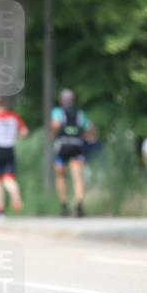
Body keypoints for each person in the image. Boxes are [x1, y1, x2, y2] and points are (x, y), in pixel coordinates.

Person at [50, 88, 96, 217]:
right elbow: (90, 128)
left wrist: (52, 135)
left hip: (62, 146)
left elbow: (55, 125)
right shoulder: (80, 114)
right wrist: (90, 137)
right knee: (78, 177)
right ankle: (79, 204)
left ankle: (64, 205)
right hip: (77, 146)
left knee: (60, 176)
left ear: (61, 100)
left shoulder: (57, 112)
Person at [0, 96, 28, 219]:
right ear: (5, 106)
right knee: (9, 178)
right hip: (10, 149)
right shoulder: (14, 117)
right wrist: (15, 137)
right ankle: (15, 193)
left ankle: (0, 211)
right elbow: (25, 131)